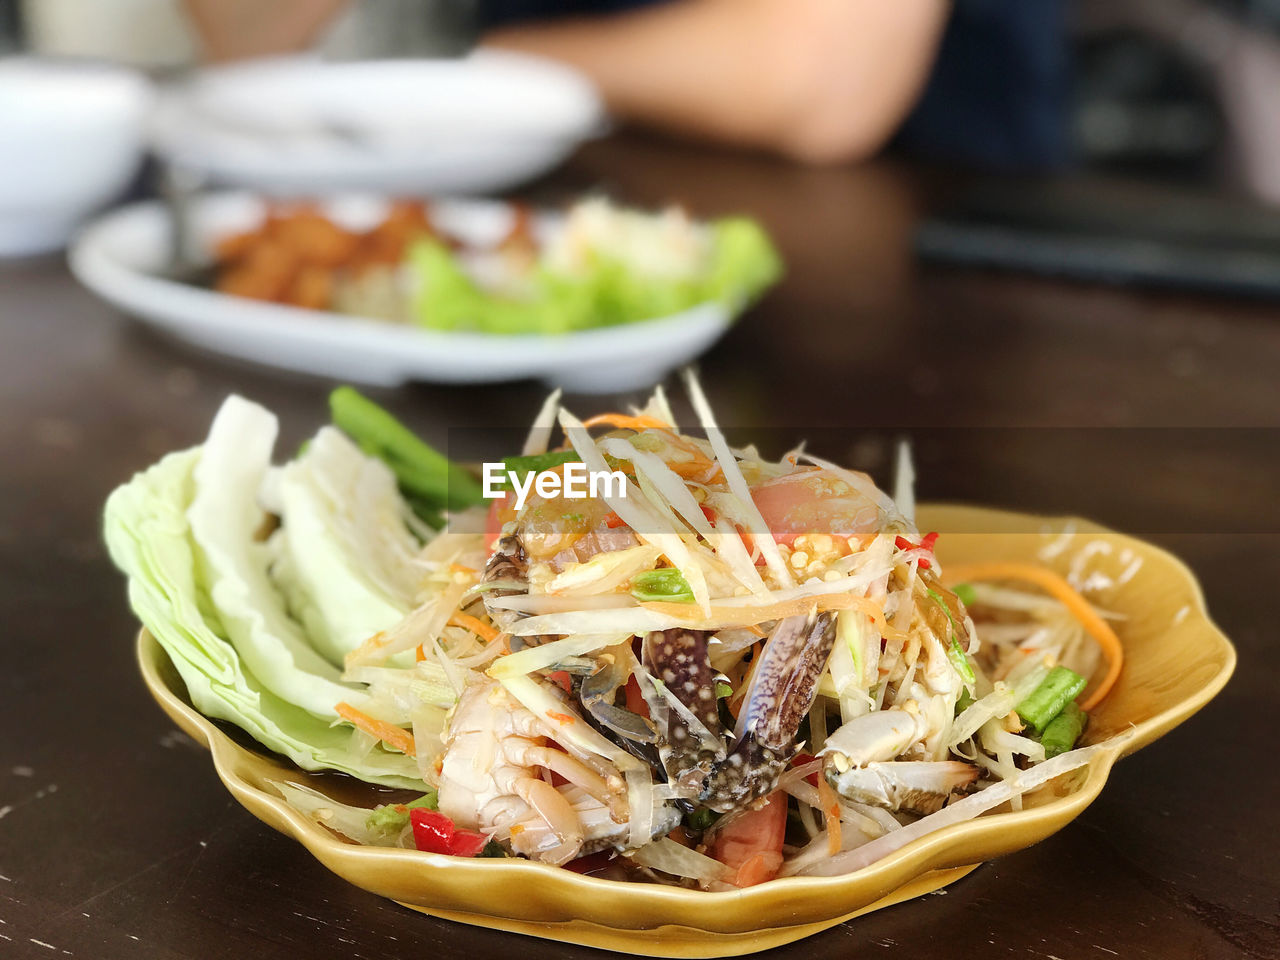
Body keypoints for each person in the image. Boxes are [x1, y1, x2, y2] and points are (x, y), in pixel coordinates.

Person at [183, 0, 1069, 169]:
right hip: (548, 248)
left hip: (919, 260)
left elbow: (821, 82)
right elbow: (250, 37)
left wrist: (484, 76)